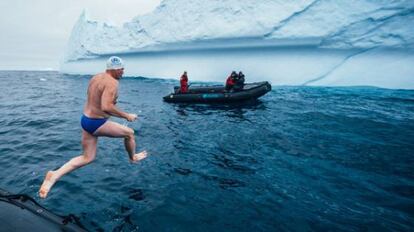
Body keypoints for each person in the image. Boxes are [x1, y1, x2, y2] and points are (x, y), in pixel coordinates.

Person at [39, 56, 148, 199]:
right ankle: (132, 157)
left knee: (87, 157)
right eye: (121, 69)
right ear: (114, 69)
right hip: (97, 123)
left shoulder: (96, 77)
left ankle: (54, 175)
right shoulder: (112, 83)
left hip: (86, 120)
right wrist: (126, 116)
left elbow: (93, 98)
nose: (123, 72)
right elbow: (106, 106)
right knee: (130, 133)